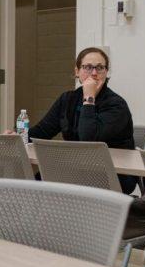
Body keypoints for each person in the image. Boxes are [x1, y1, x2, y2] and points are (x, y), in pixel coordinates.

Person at [26, 46, 138, 193]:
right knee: (34, 184)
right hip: (77, 168)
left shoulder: (117, 105)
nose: (94, 73)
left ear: (106, 72)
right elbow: (42, 131)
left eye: (100, 68)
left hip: (113, 174)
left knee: (47, 186)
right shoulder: (67, 99)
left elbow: (89, 139)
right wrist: (17, 136)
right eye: (87, 67)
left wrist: (89, 98)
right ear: (77, 71)